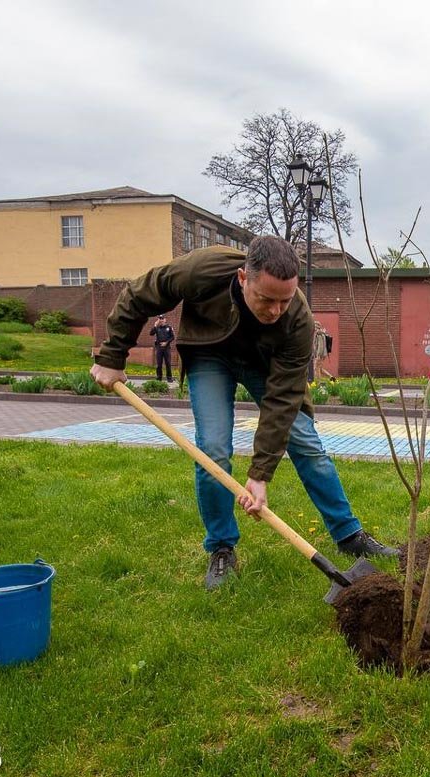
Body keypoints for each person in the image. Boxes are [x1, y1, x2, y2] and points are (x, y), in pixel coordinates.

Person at [89, 236, 398, 590]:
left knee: (305, 441)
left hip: (265, 362)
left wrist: (261, 473)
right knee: (213, 450)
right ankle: (222, 548)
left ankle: (349, 534)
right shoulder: (204, 269)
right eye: (266, 299)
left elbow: (282, 402)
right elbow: (141, 294)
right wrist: (112, 356)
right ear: (242, 278)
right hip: (209, 354)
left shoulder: (297, 319)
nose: (275, 310)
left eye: (285, 300)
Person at [149, 315, 176, 382]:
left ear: (165, 319)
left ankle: (169, 378)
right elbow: (151, 333)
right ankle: (159, 378)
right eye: (160, 319)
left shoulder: (169, 328)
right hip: (159, 348)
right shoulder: (157, 328)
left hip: (167, 348)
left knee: (168, 363)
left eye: (162, 318)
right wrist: (155, 325)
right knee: (159, 364)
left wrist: (166, 342)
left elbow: (172, 337)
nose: (161, 320)